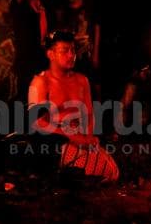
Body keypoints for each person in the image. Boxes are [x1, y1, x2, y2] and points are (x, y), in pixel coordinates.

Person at [28, 31, 119, 182]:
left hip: (78, 137)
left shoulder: (82, 80)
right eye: (65, 51)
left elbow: (88, 114)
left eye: (73, 50)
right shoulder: (41, 82)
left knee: (112, 170)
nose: (71, 55)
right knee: (98, 170)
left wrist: (88, 138)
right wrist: (71, 136)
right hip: (55, 140)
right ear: (51, 54)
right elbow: (36, 122)